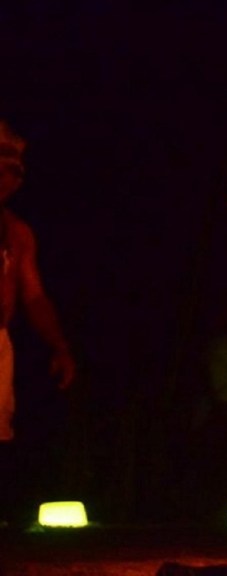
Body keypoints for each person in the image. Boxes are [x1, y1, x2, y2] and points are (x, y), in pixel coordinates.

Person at [0, 120, 76, 522]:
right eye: (1, 165)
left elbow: (33, 295)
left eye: (15, 169)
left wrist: (59, 346)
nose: (10, 177)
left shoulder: (17, 232)